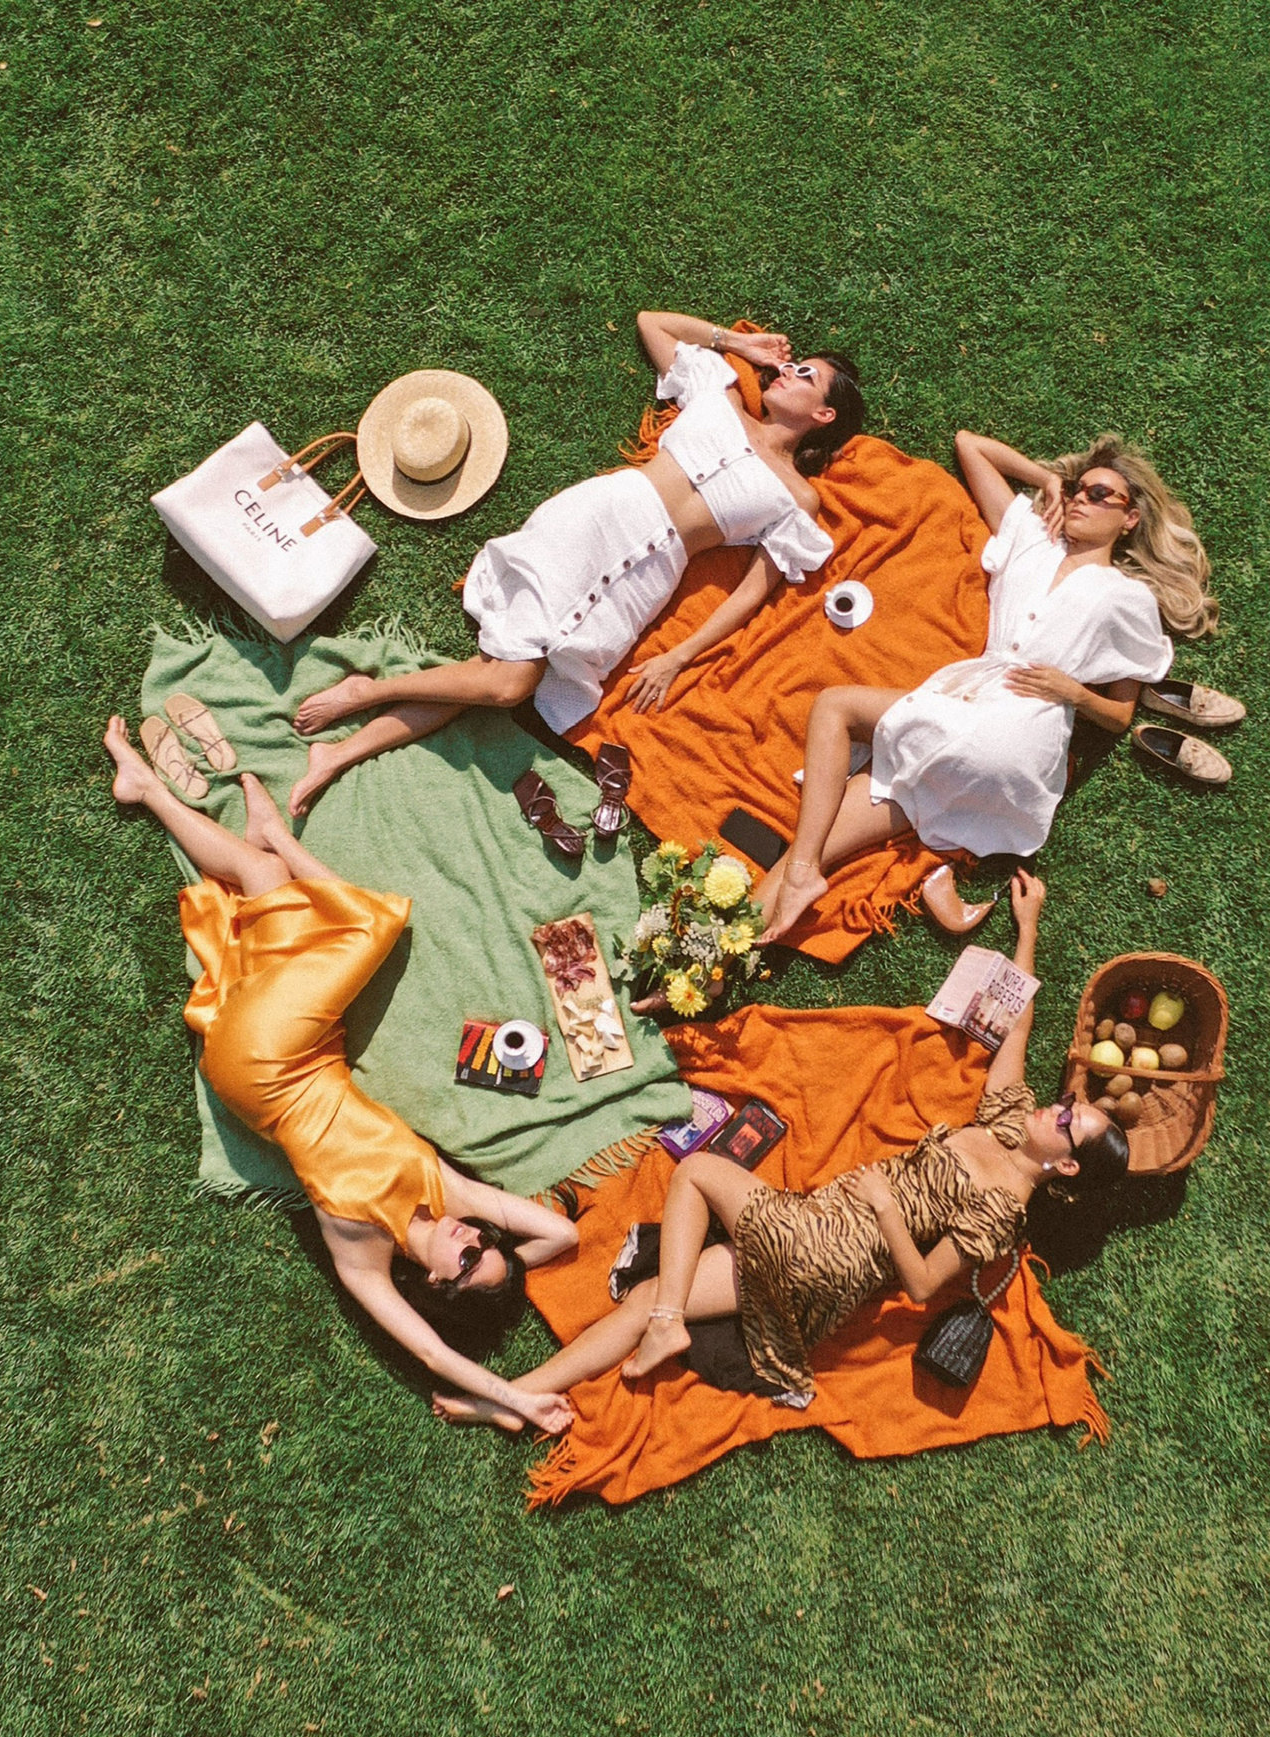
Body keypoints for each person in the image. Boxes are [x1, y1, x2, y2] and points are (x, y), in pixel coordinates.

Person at [433, 873, 1129, 1429]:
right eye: (1068, 1104)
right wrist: (1029, 927)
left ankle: (668, 1325)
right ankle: (510, 1396)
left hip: (837, 1253)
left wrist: (887, 1208)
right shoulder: (1010, 1124)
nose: (1057, 1107)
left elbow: (921, 1285)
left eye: (1068, 1123)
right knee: (650, 1293)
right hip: (814, 1228)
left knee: (701, 1172)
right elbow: (1014, 1028)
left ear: (1064, 1165)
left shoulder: (1003, 1209)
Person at [103, 716, 578, 1434]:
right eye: (486, 1243)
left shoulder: (365, 1255)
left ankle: (273, 835)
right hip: (301, 1054)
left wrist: (512, 1402)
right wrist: (512, 1260)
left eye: (471, 1257)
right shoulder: (448, 1192)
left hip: (264, 1065)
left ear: (437, 1283)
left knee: (375, 926)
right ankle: (161, 796)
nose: (474, 1237)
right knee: (263, 883)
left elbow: (427, 1349)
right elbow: (560, 1237)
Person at [285, 312, 864, 815]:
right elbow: (651, 322)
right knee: (509, 681)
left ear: (824, 416)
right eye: (792, 364)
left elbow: (749, 594)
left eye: (805, 375)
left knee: (492, 675)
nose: (786, 371)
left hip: (650, 577)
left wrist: (679, 657)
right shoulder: (721, 393)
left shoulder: (797, 500)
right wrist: (738, 344)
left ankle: (338, 753)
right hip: (598, 520)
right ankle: (366, 694)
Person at [755, 431, 1214, 940]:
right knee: (810, 846)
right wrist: (1048, 482)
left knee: (834, 705)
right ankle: (702, 965)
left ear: (1130, 520)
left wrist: (1075, 692)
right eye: (1080, 489)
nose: (1083, 498)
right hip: (968, 729)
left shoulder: (1128, 598)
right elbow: (968, 444)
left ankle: (800, 876)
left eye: (1102, 493)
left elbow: (1120, 717)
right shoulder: (1034, 538)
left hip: (1018, 728)